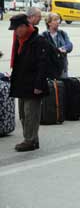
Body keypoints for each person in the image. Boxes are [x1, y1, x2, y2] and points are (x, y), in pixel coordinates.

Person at [8, 14, 49, 152]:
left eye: (18, 28)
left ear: (25, 26)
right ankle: (33, 139)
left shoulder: (38, 41)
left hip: (33, 84)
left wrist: (38, 85)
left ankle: (29, 140)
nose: (16, 32)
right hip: (22, 83)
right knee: (24, 114)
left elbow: (43, 65)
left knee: (31, 113)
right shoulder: (21, 41)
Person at [41, 13, 73, 78]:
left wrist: (64, 48)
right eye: (55, 20)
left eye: (58, 20)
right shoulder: (44, 36)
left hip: (62, 68)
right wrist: (57, 51)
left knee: (63, 86)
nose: (58, 22)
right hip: (50, 69)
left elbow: (70, 45)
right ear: (49, 23)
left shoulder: (62, 33)